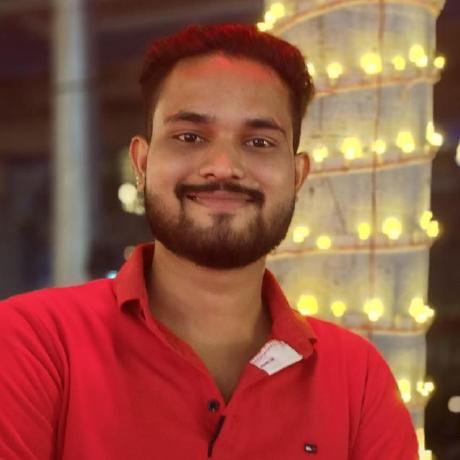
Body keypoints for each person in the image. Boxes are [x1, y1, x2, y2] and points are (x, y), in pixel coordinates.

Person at [0, 24, 418, 459]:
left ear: (297, 177)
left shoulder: (356, 378)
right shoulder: (33, 345)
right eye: (190, 137)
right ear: (142, 163)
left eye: (259, 142)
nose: (223, 165)